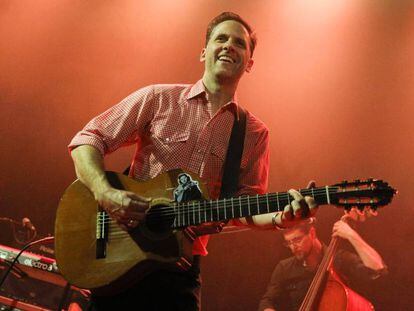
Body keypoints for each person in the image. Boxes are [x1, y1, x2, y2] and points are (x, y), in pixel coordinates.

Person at [68, 12, 317, 310]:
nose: (228, 46)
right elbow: (88, 139)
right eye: (220, 39)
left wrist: (280, 218)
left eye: (239, 43)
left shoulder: (254, 133)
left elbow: (248, 204)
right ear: (204, 51)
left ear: (249, 63)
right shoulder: (158, 98)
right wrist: (105, 193)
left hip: (179, 271)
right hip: (120, 254)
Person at [258, 216, 387, 311]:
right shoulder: (284, 268)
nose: (293, 247)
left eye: (297, 239)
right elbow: (267, 301)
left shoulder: (339, 259)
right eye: (288, 243)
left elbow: (376, 269)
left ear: (312, 233)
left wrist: (351, 235)